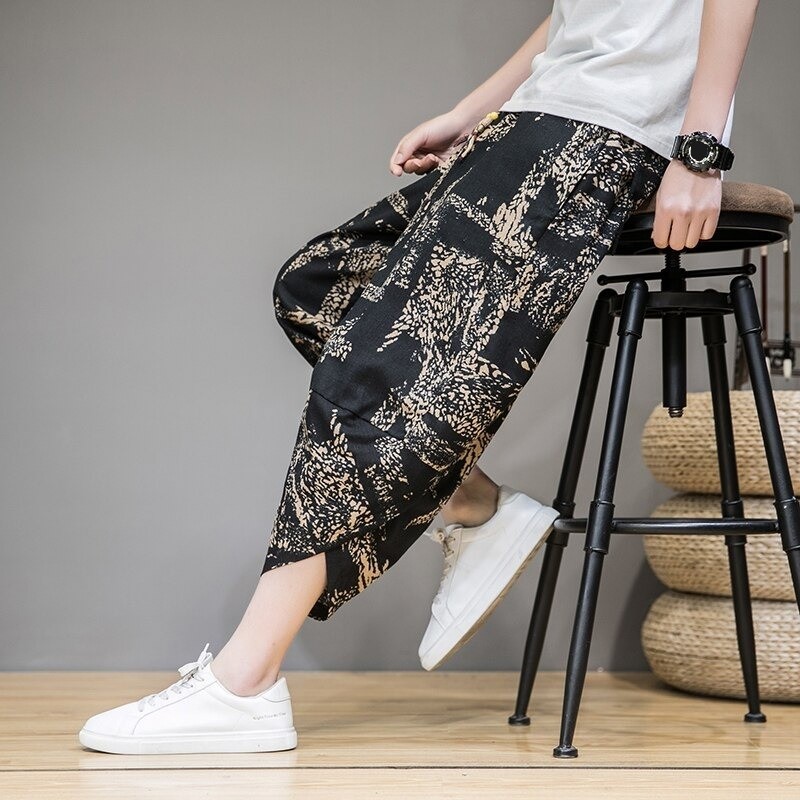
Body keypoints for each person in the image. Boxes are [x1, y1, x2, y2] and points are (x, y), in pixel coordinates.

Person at [78, 0, 759, 755]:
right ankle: (473, 504)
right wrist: (473, 111)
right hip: (535, 118)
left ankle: (245, 682)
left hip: (602, 131)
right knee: (316, 286)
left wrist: (700, 150)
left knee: (381, 365)